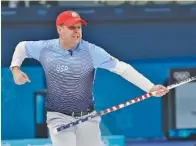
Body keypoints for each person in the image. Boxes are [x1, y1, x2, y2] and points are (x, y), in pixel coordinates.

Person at [10, 10, 169, 146]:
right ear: (60, 29)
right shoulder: (45, 48)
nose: (76, 31)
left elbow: (123, 69)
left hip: (87, 116)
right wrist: (15, 69)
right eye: (71, 27)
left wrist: (150, 87)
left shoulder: (92, 51)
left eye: (79, 27)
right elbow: (21, 47)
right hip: (58, 117)